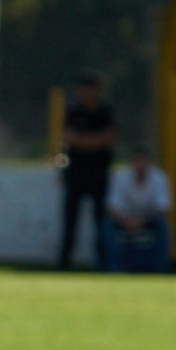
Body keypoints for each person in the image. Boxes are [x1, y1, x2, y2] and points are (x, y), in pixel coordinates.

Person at [59, 69, 117, 271]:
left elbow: (109, 137)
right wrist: (94, 141)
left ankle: (103, 262)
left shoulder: (105, 112)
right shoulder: (73, 112)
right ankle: (64, 262)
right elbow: (69, 138)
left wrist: (84, 141)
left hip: (99, 172)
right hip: (76, 172)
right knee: (70, 219)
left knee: (100, 220)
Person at [103, 146, 172, 273]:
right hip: (124, 218)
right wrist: (126, 220)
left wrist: (141, 220)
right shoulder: (121, 176)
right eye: (137, 161)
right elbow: (111, 206)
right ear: (132, 162)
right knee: (108, 224)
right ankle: (113, 267)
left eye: (143, 161)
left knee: (163, 224)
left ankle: (161, 268)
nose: (140, 165)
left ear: (148, 162)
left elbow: (163, 207)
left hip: (149, 218)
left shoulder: (159, 177)